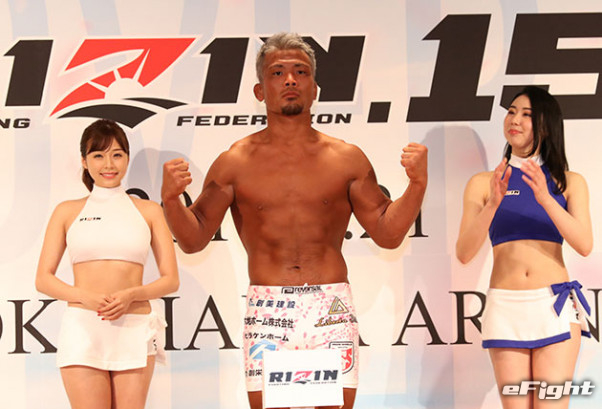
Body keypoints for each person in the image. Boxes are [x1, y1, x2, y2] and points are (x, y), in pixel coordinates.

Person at [161, 32, 427, 409]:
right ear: (259, 90)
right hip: (268, 310)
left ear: (314, 89)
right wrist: (171, 200)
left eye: (300, 72)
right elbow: (193, 240)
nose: (290, 80)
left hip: (330, 307)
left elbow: (388, 233)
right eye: (277, 73)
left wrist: (417, 185)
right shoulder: (234, 162)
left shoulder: (346, 158)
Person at [456, 86, 592, 409]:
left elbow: (584, 244)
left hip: (553, 306)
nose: (514, 120)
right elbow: (464, 253)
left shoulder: (568, 181)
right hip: (505, 307)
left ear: (545, 125)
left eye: (526, 115)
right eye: (512, 111)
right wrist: (493, 203)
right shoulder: (484, 183)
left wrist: (546, 198)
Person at [35, 119, 179, 409]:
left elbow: (170, 280)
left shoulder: (149, 211)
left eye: (117, 154)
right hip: (83, 327)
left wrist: (132, 295)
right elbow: (43, 279)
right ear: (84, 161)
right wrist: (84, 297)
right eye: (98, 155)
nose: (109, 164)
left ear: (126, 158)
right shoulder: (67, 211)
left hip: (135, 325)